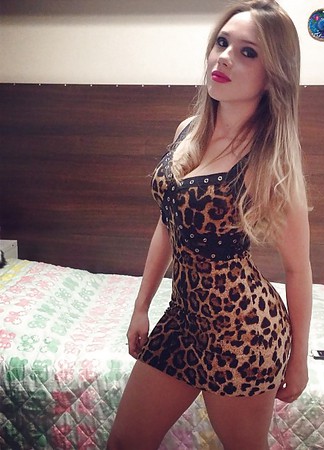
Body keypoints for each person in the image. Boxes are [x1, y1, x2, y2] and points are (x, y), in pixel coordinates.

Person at [107, 1, 312, 449]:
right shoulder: (189, 130)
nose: (224, 57)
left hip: (243, 333)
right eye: (222, 43)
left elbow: (298, 269)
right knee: (124, 442)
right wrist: (141, 306)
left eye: (248, 52)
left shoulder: (270, 160)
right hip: (182, 320)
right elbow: (168, 223)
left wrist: (298, 361)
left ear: (273, 75)